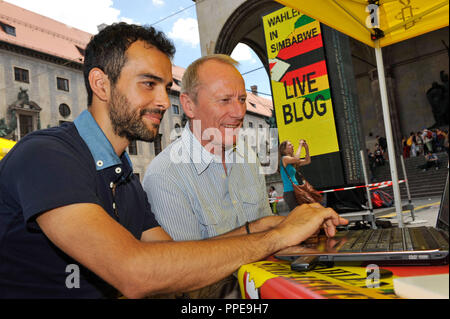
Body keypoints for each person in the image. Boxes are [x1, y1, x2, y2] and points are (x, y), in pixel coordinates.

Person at [0, 23, 348, 298]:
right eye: (148, 84)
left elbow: (175, 259)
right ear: (101, 84)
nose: (164, 102)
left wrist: (263, 227)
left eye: (165, 87)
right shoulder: (46, 155)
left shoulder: (124, 179)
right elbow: (136, 273)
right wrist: (278, 236)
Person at [143, 54, 277, 242]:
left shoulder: (248, 156)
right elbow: (188, 266)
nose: (239, 112)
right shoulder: (165, 177)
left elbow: (270, 233)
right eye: (224, 100)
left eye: (242, 99)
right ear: (189, 106)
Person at [279, 139, 312, 211]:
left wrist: (306, 149)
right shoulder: (284, 158)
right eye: (290, 145)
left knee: (303, 212)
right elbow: (296, 159)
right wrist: (300, 145)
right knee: (298, 214)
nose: (292, 146)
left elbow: (307, 161)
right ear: (284, 149)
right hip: (290, 192)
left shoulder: (291, 161)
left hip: (296, 190)